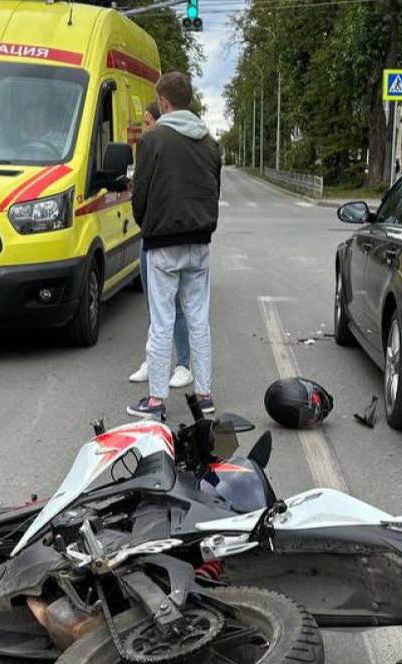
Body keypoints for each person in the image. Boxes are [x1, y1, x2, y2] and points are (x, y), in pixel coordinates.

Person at [127, 72, 221, 420]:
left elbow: (141, 193)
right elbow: (215, 190)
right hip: (199, 242)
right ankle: (205, 394)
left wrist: (147, 225)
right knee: (199, 319)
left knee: (162, 320)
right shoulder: (210, 143)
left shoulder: (153, 142)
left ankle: (156, 400)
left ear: (164, 103)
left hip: (163, 244)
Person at [128, 99, 193, 390]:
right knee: (154, 306)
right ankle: (154, 360)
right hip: (150, 237)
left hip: (166, 237)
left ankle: (183, 364)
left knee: (175, 306)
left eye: (148, 121)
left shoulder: (165, 147)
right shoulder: (148, 148)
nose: (145, 127)